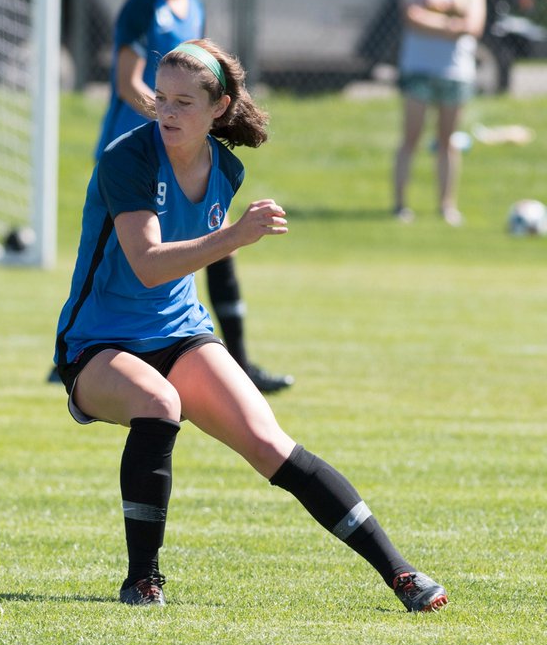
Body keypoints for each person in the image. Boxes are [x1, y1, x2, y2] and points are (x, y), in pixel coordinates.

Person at [53, 38, 448, 613]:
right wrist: (234, 236)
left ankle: (402, 573)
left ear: (218, 107)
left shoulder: (226, 169)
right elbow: (147, 265)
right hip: (97, 343)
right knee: (159, 402)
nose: (166, 112)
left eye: (184, 102)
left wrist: (228, 246)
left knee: (270, 443)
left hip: (181, 332)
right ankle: (143, 580)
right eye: (160, 98)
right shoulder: (126, 158)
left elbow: (194, 261)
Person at [96, 0, 291, 394]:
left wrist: (185, 131)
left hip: (179, 154)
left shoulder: (194, 6)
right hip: (140, 155)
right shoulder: (143, 6)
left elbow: (196, 83)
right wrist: (171, 121)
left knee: (216, 246)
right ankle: (87, 352)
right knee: (125, 260)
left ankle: (238, 360)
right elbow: (127, 83)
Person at [393, 0, 486, 226]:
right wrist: (450, 24)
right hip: (419, 68)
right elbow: (411, 17)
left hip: (455, 71)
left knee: (448, 141)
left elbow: (473, 26)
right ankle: (400, 205)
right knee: (411, 137)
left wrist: (436, 18)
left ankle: (447, 205)